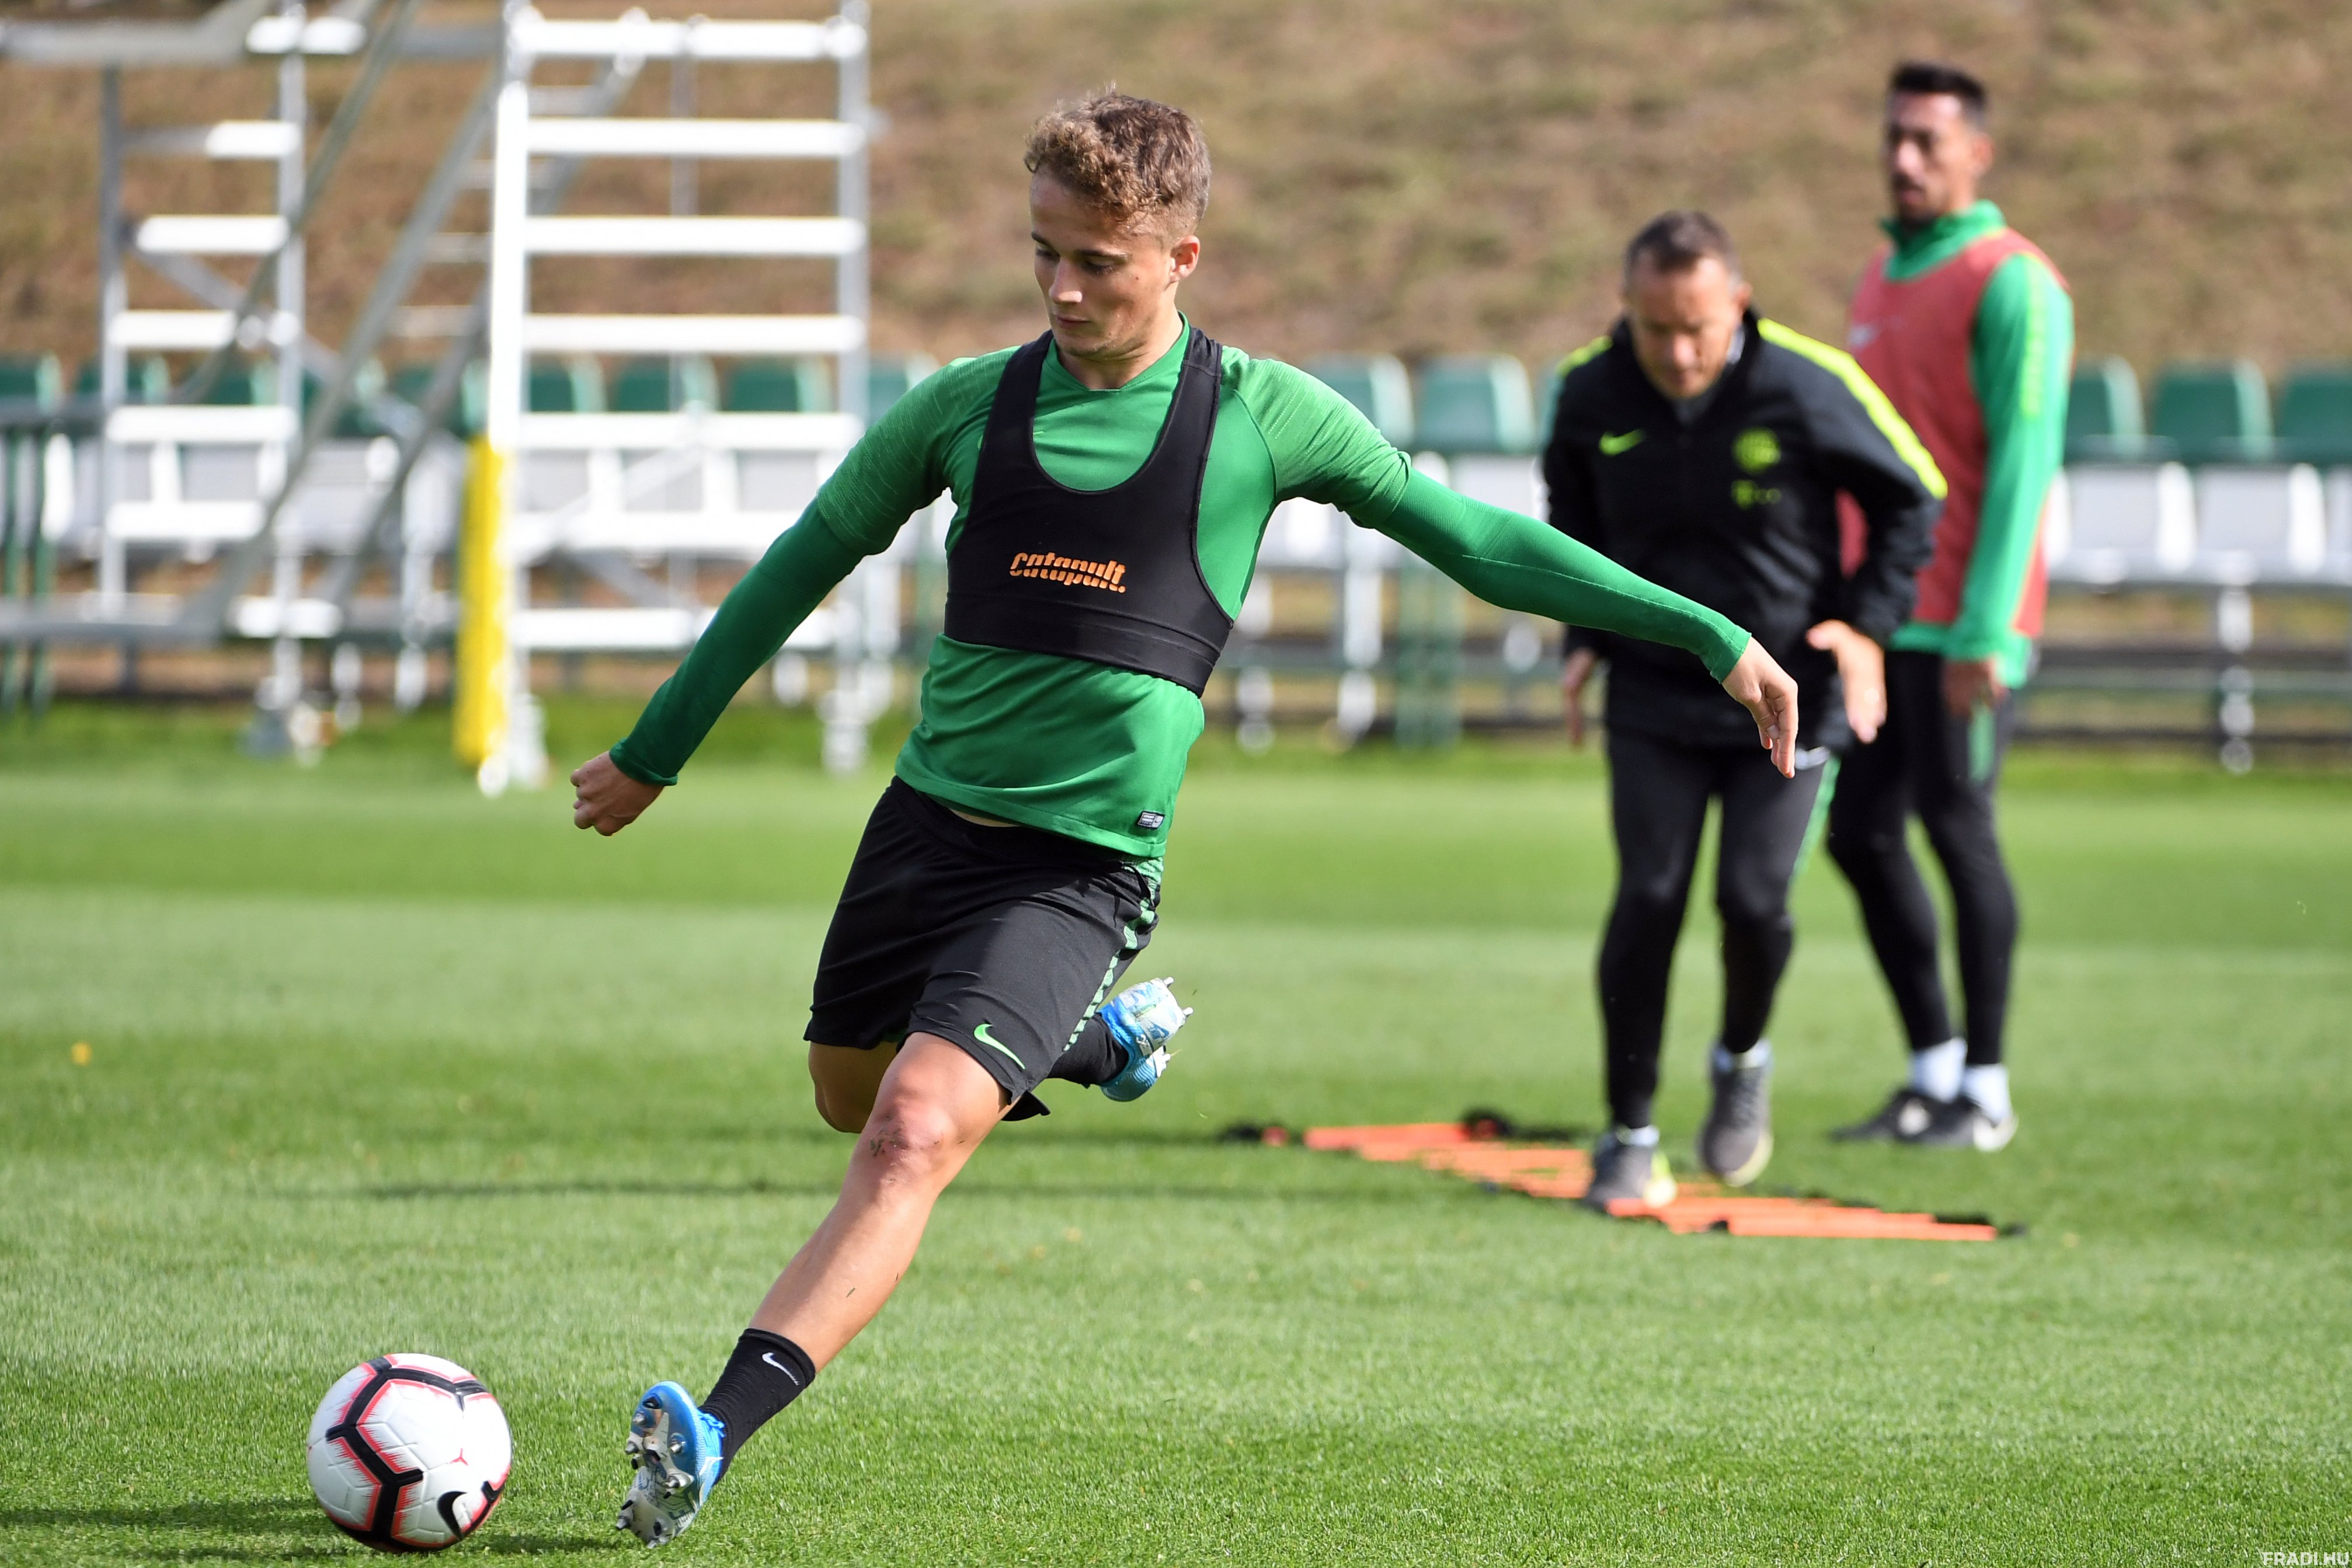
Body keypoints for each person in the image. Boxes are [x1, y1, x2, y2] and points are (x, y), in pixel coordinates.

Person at [568, 92, 1801, 1546]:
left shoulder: (1260, 416)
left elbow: (1477, 543)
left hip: (1082, 866)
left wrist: (1709, 632)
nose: (1062, 288)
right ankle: (1097, 1043)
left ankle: (714, 1429)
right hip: (924, 829)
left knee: (908, 1130)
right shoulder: (966, 406)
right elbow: (801, 562)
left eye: (1098, 261)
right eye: (1043, 253)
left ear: (1181, 256)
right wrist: (655, 750)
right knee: (848, 1089)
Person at [1544, 211, 1942, 1210]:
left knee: (1754, 902)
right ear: (1625, 309)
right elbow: (1570, 512)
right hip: (1654, 693)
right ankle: (1629, 1134)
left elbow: (1914, 495)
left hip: (1787, 698)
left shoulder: (1806, 386)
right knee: (1649, 897)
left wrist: (1867, 626)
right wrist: (1583, 634)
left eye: (1698, 329)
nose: (1678, 353)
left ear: (1739, 305)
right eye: (1655, 329)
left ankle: (1742, 1054)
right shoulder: (1590, 391)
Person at [1826, 61, 2072, 1152]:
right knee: (1859, 833)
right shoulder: (1882, 274)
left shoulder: (2013, 280)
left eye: (1928, 140)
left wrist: (1987, 630)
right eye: (1894, 137)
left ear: (1979, 151)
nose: (1904, 158)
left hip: (1970, 624)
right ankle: (1933, 1071)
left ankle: (1988, 1089)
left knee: (1958, 830)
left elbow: (2024, 462)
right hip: (1885, 622)